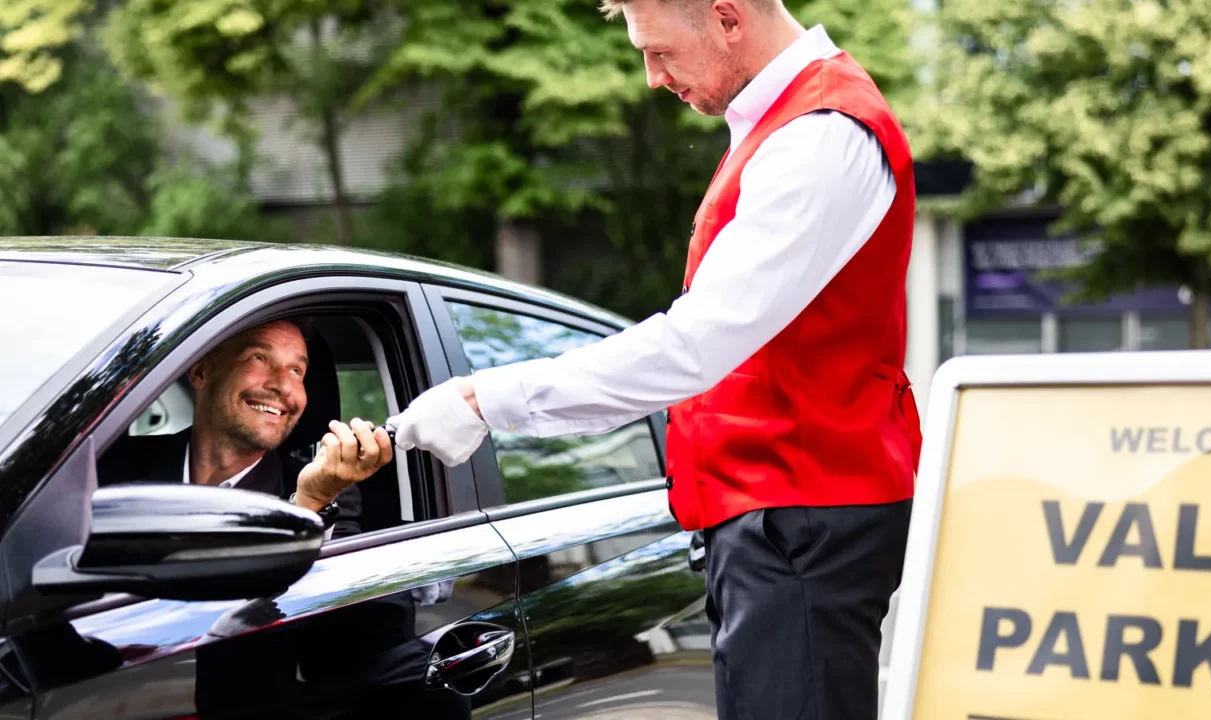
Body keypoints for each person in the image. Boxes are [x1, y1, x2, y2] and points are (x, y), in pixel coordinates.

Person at [386, 0, 922, 717]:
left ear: (727, 18)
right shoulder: (787, 127)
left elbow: (695, 345)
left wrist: (488, 400)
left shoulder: (821, 137)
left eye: (660, 51)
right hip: (782, 512)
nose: (651, 77)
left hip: (801, 518)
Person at [99, 317, 393, 539]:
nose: (282, 386)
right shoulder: (111, 466)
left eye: (296, 370)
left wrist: (309, 504)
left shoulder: (327, 492)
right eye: (260, 358)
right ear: (201, 372)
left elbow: (354, 612)